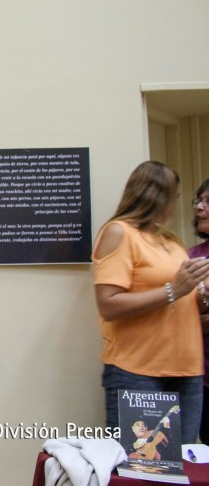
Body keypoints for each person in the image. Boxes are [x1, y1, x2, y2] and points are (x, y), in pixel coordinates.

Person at [93, 160, 209, 444]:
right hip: (139, 372)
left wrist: (200, 296)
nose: (179, 205)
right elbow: (108, 305)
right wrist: (175, 289)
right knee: (144, 472)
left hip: (187, 370)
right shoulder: (119, 232)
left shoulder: (170, 241)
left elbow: (182, 300)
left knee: (183, 472)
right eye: (176, 197)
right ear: (159, 195)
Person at [187, 178, 209, 443]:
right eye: (198, 201)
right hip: (202, 378)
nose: (199, 208)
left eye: (207, 202)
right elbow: (181, 315)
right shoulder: (191, 255)